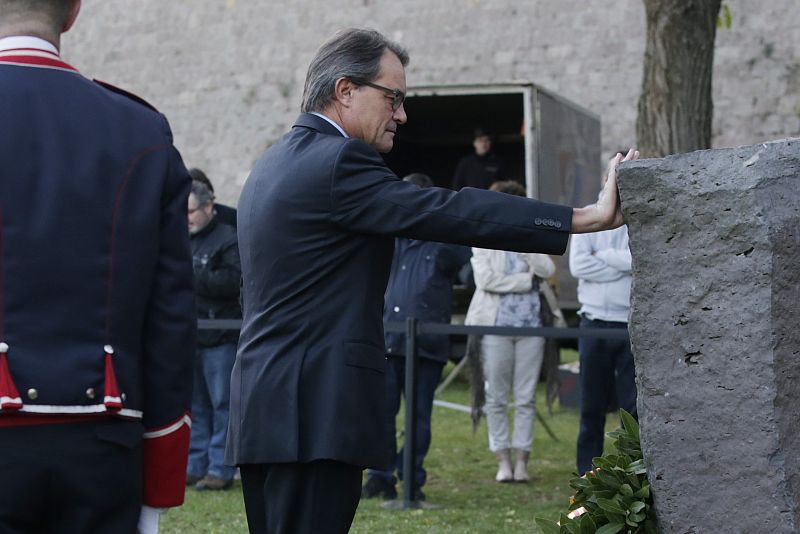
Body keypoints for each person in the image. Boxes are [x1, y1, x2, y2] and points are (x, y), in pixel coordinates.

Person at [228, 27, 636, 534]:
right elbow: (446, 210)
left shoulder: (271, 162)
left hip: (266, 405)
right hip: (314, 409)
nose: (401, 114)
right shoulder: (338, 161)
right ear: (345, 90)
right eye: (393, 98)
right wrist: (581, 217)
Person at [0, 1, 195, 533]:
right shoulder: (141, 128)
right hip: (104, 440)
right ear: (73, 12)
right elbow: (170, 320)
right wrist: (157, 488)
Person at [361, 173, 471, 502]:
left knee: (419, 417)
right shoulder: (387, 238)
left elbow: (468, 268)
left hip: (426, 343)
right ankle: (380, 476)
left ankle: (411, 478)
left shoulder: (444, 241)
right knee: (381, 413)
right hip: (387, 339)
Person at [464, 180, 556, 483]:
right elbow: (487, 280)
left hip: (532, 327)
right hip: (494, 326)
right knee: (496, 397)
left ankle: (522, 462)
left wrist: (525, 245)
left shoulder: (531, 236)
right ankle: (502, 460)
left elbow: (547, 271)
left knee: (526, 398)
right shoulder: (483, 238)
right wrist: (524, 282)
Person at [569, 218, 637, 475]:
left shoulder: (635, 219)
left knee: (632, 408)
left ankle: (632, 471)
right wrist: (621, 264)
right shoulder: (587, 218)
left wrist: (602, 255)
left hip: (628, 323)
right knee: (591, 405)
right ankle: (587, 473)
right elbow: (578, 265)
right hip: (593, 321)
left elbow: (637, 261)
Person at [185, 179, 241, 491]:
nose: (187, 218)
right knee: (195, 405)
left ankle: (220, 469)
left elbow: (235, 282)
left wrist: (194, 274)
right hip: (191, 336)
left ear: (208, 207)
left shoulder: (228, 239)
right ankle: (195, 465)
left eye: (191, 211)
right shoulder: (183, 238)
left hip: (221, 338)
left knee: (222, 405)